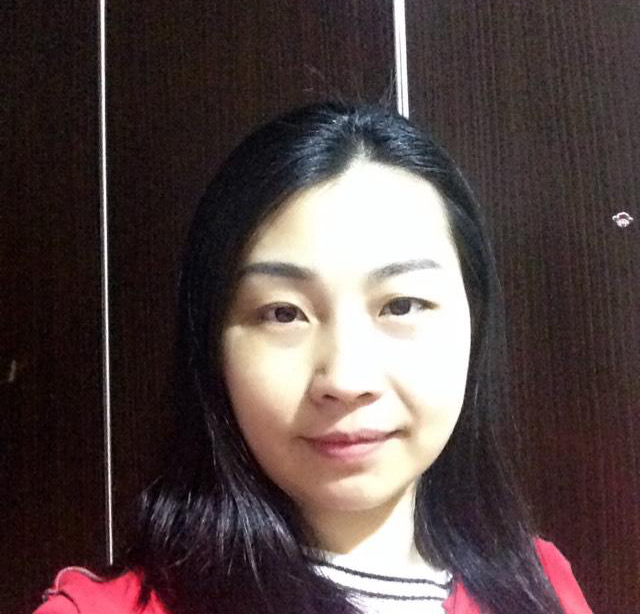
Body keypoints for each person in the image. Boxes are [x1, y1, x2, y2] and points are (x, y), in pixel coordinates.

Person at [35, 102, 593, 614]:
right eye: (283, 313)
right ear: (211, 349)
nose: (346, 379)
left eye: (401, 305)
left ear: (475, 322)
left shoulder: (539, 584)